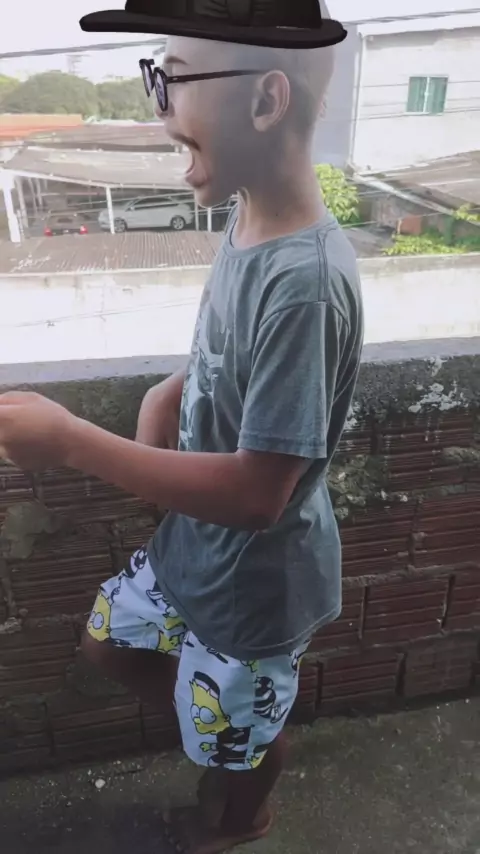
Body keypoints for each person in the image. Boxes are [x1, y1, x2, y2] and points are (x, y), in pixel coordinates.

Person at [0, 9, 363, 854]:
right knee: (109, 644)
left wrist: (72, 441)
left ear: (265, 101)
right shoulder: (246, 220)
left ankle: (243, 809)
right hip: (192, 548)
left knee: (239, 742)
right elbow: (224, 355)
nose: (158, 106)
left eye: (171, 79)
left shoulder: (306, 284)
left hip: (254, 583)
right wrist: (169, 392)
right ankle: (229, 725)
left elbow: (259, 496)